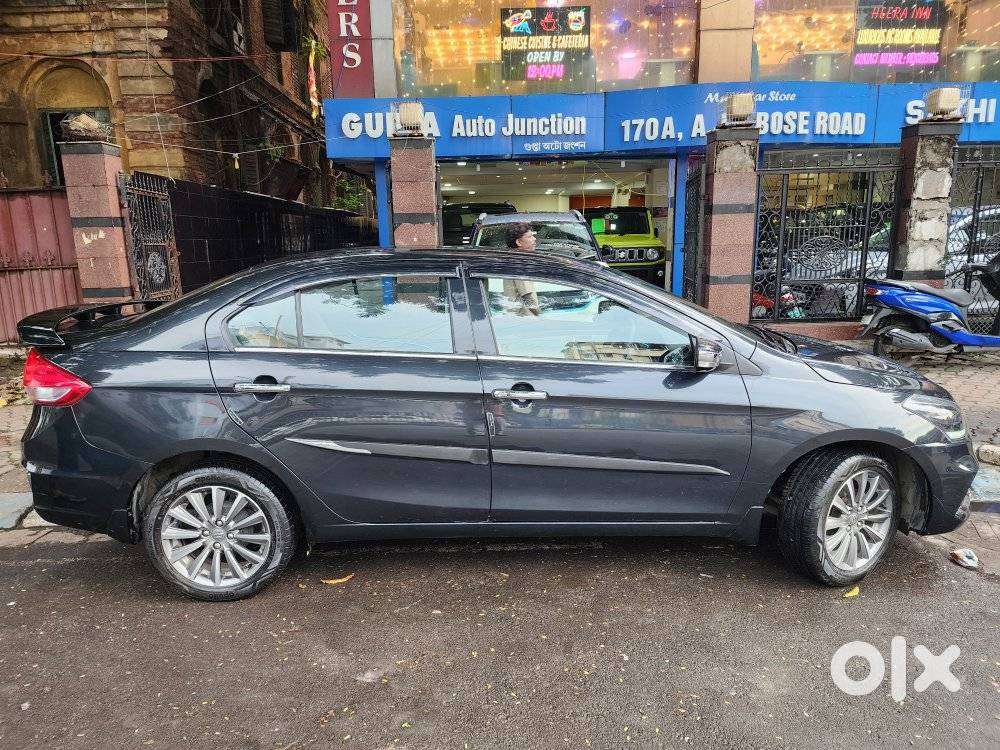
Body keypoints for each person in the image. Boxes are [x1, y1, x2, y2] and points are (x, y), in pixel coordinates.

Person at [502, 222, 539, 315]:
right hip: (524, 318)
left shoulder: (512, 259)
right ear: (518, 242)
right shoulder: (519, 262)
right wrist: (539, 316)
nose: (534, 239)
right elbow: (529, 297)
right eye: (530, 237)